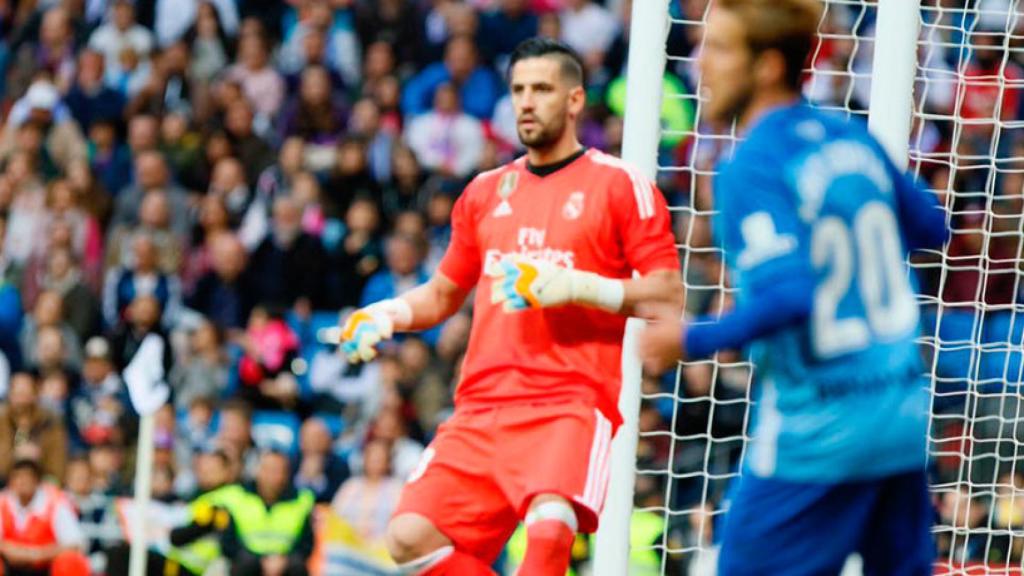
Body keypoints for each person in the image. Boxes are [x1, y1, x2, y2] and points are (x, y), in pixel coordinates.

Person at [339, 37, 680, 575]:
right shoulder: (482, 192)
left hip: (568, 401)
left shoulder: (619, 184)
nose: (526, 101)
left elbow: (667, 293)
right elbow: (441, 294)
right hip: (481, 406)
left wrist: (578, 287)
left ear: (573, 100)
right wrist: (385, 314)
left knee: (547, 531)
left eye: (541, 89)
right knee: (409, 539)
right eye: (518, 89)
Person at [636, 1, 949, 574]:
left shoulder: (752, 166)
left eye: (721, 48)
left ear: (768, 66)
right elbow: (933, 227)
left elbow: (792, 296)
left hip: (820, 431)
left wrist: (691, 338)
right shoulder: (848, 135)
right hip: (898, 412)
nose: (701, 62)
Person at [218, 450, 315, 576]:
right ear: (257, 471)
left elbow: (306, 545)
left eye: (278, 470)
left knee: (297, 566)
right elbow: (228, 544)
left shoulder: (302, 500)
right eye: (268, 469)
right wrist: (260, 560)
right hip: (246, 564)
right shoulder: (236, 496)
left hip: (286, 565)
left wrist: (283, 560)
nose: (273, 476)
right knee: (243, 563)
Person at [0, 459, 90, 576]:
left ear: (37, 481)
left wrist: (38, 555)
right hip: (10, 565)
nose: (22, 482)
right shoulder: (3, 501)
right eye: (18, 477)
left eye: (27, 478)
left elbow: (74, 543)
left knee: (71, 562)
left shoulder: (55, 502)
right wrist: (14, 552)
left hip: (47, 566)